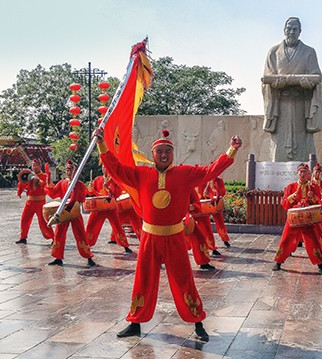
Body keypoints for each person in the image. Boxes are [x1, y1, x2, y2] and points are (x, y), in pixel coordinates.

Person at [95, 127, 242, 342]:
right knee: (143, 279)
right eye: (159, 152)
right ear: (152, 154)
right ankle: (135, 323)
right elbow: (116, 169)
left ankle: (198, 322)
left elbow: (211, 170)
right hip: (149, 237)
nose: (164, 155)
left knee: (184, 280)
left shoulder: (185, 174)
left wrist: (232, 150)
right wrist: (101, 144)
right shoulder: (141, 174)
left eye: (167, 151)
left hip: (175, 237)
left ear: (173, 154)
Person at [261, 17, 322, 161]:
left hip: (302, 103)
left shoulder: (309, 52)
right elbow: (267, 78)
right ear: (284, 30)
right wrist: (277, 83)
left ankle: (305, 169)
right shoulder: (274, 52)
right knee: (280, 141)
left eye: (295, 29)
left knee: (303, 140)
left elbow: (316, 76)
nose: (291, 32)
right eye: (288, 29)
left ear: (300, 31)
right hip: (280, 104)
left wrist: (308, 83)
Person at [273, 163, 322, 273]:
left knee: (313, 241)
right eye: (301, 172)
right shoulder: (290, 187)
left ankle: (319, 264)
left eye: (305, 172)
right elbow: (284, 204)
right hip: (294, 219)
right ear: (297, 173)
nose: (303, 174)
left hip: (308, 219)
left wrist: (312, 197)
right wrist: (292, 196)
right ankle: (278, 262)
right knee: (286, 240)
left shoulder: (313, 187)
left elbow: (319, 204)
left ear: (309, 174)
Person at [45, 160, 96, 267]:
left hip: (74, 212)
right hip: (63, 212)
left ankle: (88, 257)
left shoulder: (79, 184)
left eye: (71, 169)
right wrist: (48, 179)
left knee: (80, 234)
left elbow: (81, 199)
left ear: (76, 171)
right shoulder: (62, 183)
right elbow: (53, 193)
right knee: (59, 233)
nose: (69, 172)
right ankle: (58, 257)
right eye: (67, 169)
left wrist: (74, 190)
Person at [85, 170, 132, 254]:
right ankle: (87, 245)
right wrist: (90, 189)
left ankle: (125, 246)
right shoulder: (97, 179)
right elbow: (91, 193)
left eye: (106, 166)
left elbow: (117, 194)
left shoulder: (114, 180)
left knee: (117, 227)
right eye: (103, 166)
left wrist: (107, 188)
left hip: (110, 208)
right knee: (90, 225)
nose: (104, 169)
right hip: (99, 207)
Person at [15, 160, 54, 244]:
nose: (35, 167)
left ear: (40, 166)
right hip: (29, 202)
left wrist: (38, 180)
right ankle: (23, 237)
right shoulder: (28, 175)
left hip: (40, 203)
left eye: (36, 165)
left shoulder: (44, 176)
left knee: (43, 222)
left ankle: (54, 238)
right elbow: (22, 183)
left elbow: (47, 185)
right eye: (33, 165)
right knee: (24, 219)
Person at [202, 176, 231, 248]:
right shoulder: (203, 180)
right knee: (205, 225)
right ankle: (209, 244)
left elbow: (222, 192)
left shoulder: (218, 180)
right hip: (206, 205)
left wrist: (216, 191)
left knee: (220, 222)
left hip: (216, 203)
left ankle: (225, 239)